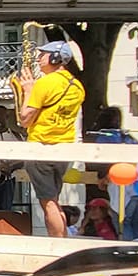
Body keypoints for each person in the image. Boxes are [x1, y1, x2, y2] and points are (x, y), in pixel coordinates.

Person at [17, 40, 85, 238]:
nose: (38, 59)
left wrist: (28, 90)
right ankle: (62, 240)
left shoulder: (44, 83)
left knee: (48, 202)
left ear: (55, 57)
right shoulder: (77, 86)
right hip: (64, 149)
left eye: (43, 55)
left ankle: (57, 245)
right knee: (54, 199)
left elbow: (25, 119)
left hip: (42, 147)